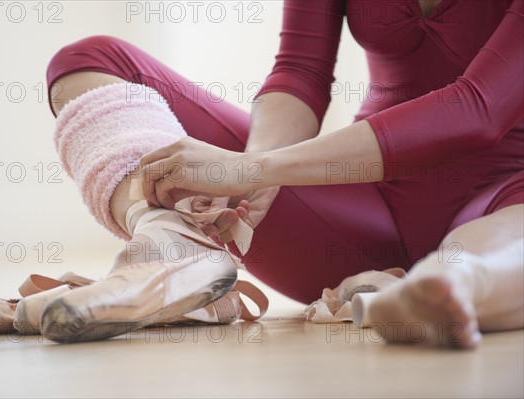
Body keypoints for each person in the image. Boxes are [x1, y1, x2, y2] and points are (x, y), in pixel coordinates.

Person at [43, 0, 523, 347]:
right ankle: (166, 250)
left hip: (507, 192)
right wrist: (254, 176)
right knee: (91, 62)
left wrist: (253, 167)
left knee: (476, 257)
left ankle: (435, 289)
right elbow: (300, 72)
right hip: (361, 210)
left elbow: (478, 111)